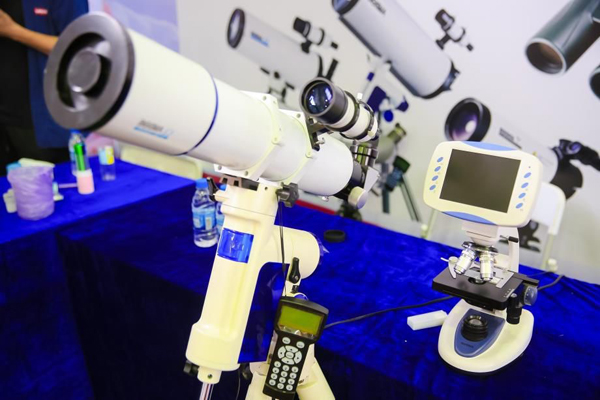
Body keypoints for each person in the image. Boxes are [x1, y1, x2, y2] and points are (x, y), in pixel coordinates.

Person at [0, 0, 88, 175]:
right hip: (6, 117)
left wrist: (13, 31)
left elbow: (78, 47)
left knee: (50, 187)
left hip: (40, 121)